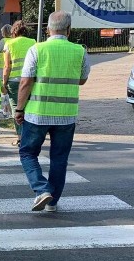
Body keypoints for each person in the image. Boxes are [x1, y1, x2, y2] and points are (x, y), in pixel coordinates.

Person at [15, 11, 90, 212]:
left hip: (37, 114)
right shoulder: (80, 51)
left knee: (27, 153)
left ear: (47, 29)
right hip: (66, 115)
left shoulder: (36, 50)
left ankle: (41, 190)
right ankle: (53, 201)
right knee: (59, 158)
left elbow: (25, 82)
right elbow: (82, 79)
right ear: (69, 30)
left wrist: (19, 108)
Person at [3, 21, 36, 145]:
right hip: (30, 79)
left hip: (14, 81)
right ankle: (30, 136)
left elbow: (7, 66)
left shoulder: (9, 44)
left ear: (14, 32)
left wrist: (4, 82)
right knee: (28, 108)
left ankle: (20, 138)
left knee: (16, 109)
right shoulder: (33, 42)